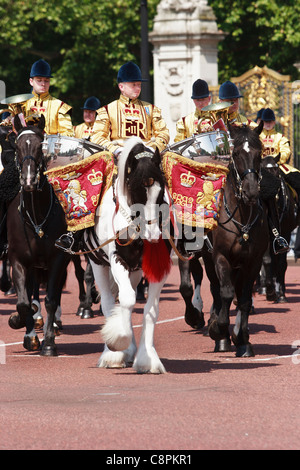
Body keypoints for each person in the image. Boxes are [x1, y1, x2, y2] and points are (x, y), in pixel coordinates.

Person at [92, 61, 170, 156]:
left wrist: (152, 148)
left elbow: (163, 133)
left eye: (139, 85)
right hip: (117, 157)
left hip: (147, 156)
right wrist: (115, 150)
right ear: (121, 86)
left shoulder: (152, 109)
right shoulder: (107, 110)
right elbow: (97, 136)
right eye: (133, 85)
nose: (138, 88)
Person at [260, 107, 292, 254]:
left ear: (274, 122)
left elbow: (286, 151)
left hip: (277, 166)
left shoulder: (280, 137)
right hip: (260, 168)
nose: (267, 124)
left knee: (297, 181)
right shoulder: (257, 136)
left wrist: (276, 160)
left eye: (270, 121)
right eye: (265, 121)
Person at [17, 59, 74, 136]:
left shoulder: (59, 106)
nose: (43, 84)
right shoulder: (19, 103)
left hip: (50, 146)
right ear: (31, 81)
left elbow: (67, 133)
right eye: (39, 80)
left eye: (46, 81)